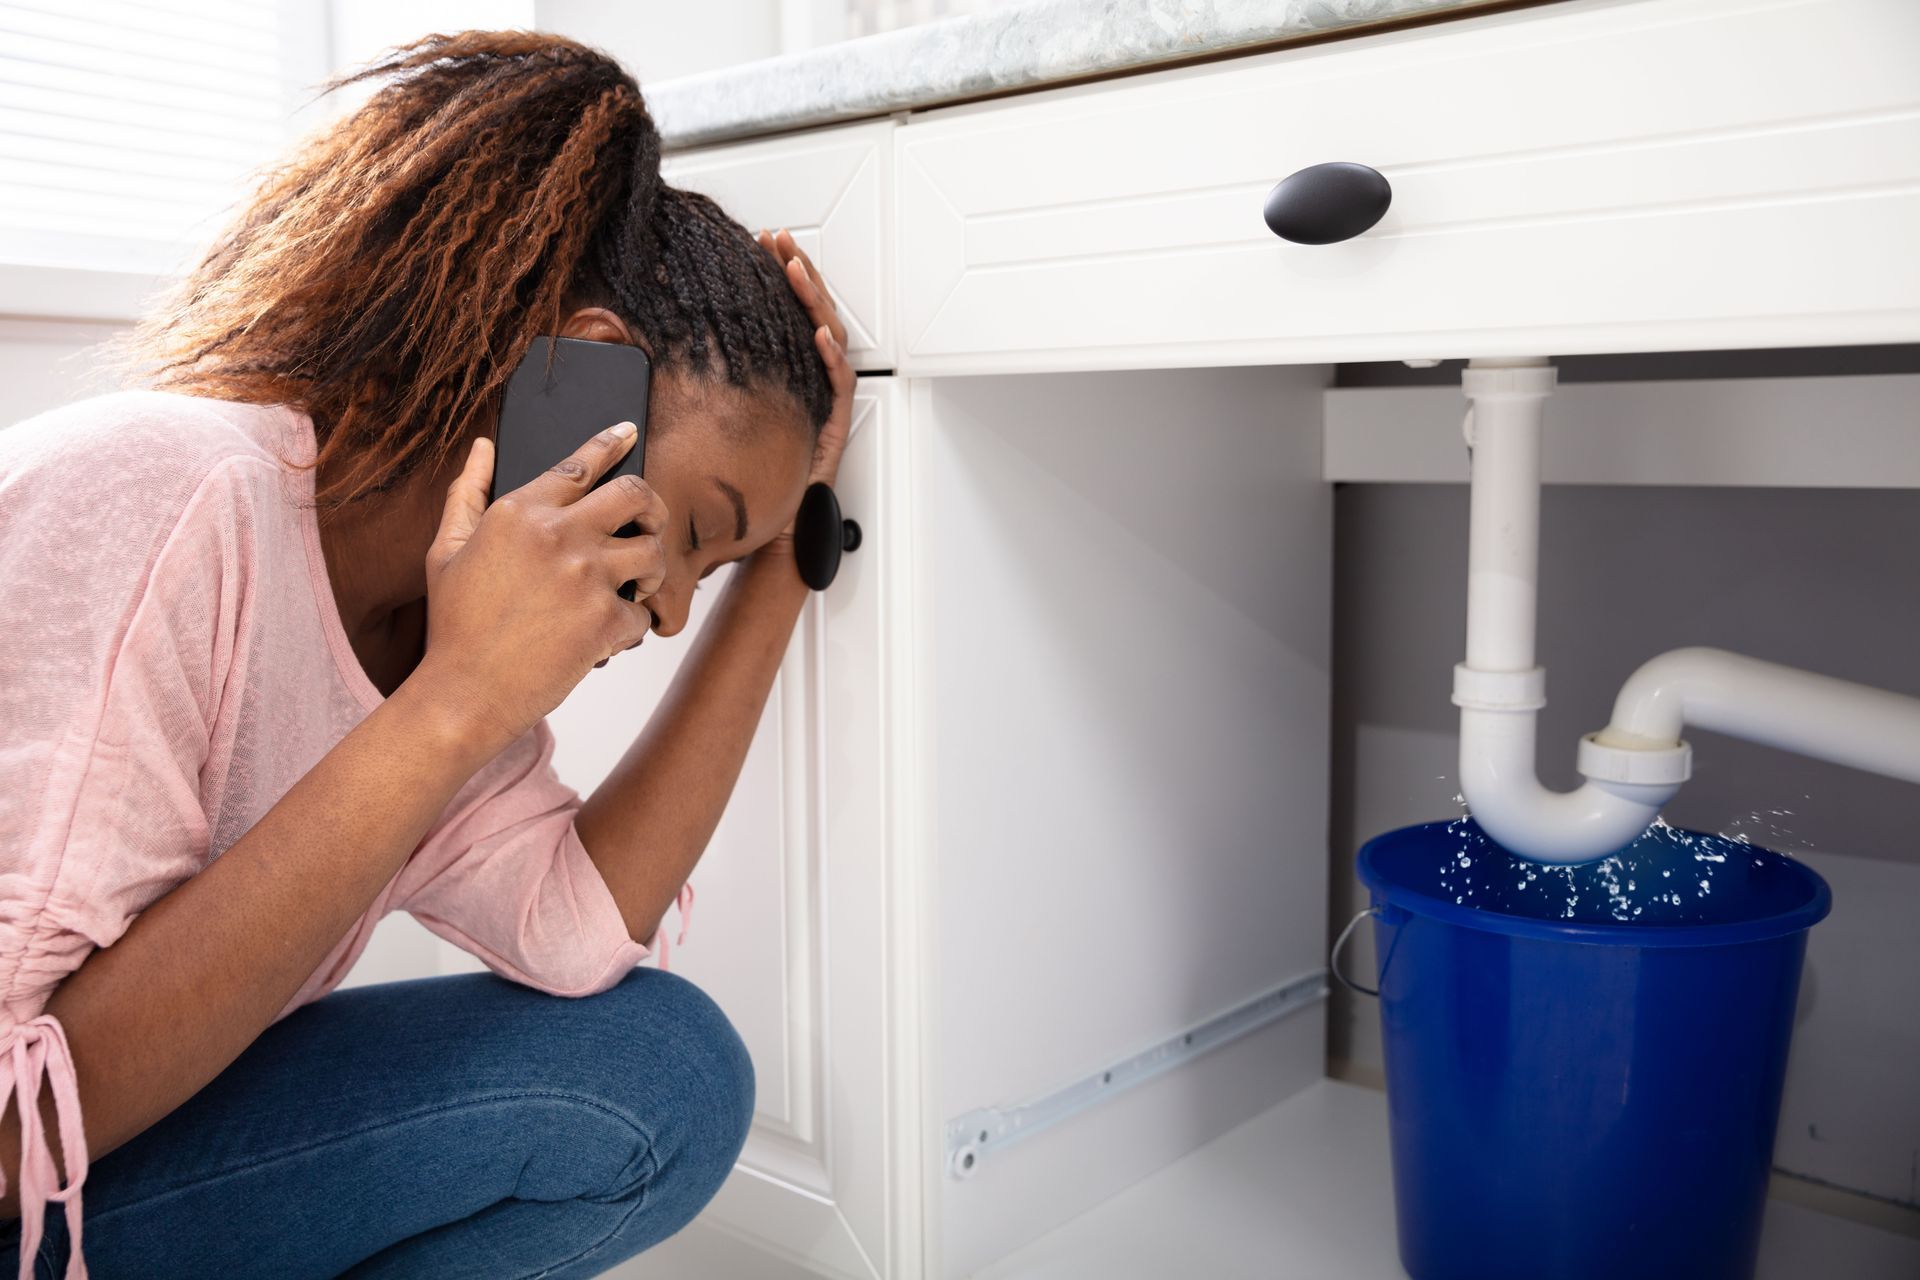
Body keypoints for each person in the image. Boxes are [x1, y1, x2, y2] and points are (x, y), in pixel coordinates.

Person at [0, 30, 855, 1279]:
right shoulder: (175, 499)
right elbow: (14, 1137)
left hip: (113, 1162)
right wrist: (452, 705)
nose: (670, 612)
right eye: (695, 535)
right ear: (577, 375)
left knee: (660, 1072)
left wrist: (782, 560)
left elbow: (575, 930)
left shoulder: (437, 643)